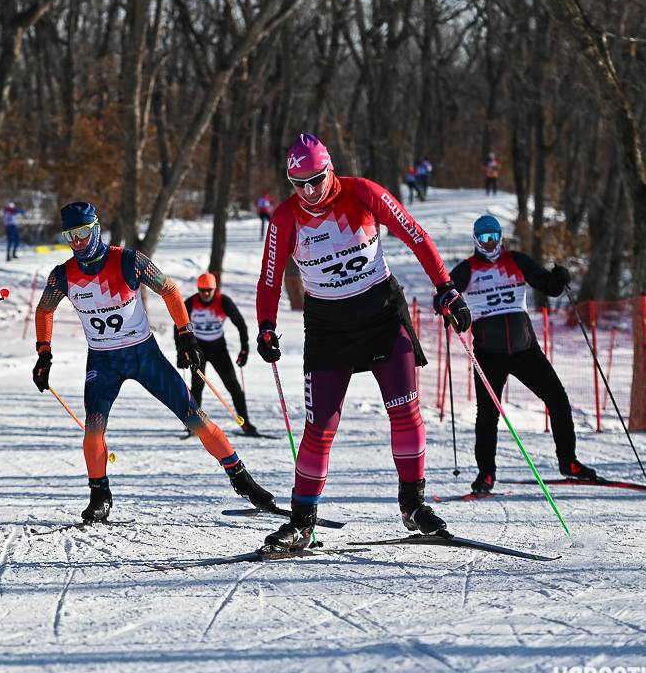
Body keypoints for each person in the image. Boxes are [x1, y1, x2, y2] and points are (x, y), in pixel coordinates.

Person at [256, 133, 471, 555]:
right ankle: (302, 523)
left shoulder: (363, 192)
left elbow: (417, 235)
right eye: (299, 183)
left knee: (405, 411)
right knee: (319, 430)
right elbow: (270, 278)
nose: (309, 191)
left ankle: (413, 505)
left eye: (316, 180)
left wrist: (446, 288)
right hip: (328, 326)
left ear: (330, 169)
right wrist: (266, 326)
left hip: (381, 315)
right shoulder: (285, 218)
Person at [31, 202, 276, 522]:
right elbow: (44, 310)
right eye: (70, 235)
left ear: (95, 228)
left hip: (143, 354)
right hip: (103, 361)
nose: (77, 241)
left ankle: (241, 479)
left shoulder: (128, 260)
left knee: (194, 416)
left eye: (82, 232)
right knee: (93, 430)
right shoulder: (63, 275)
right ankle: (99, 495)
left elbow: (170, 289)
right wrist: (44, 353)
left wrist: (186, 333)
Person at [449, 215, 597, 495]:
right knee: (488, 415)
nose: (490, 243)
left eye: (494, 237)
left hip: (524, 349)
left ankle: (569, 462)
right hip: (488, 354)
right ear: (476, 240)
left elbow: (548, 287)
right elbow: (445, 292)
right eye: (484, 238)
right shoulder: (467, 269)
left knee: (557, 398)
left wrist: (559, 279)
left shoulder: (517, 261)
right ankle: (486, 474)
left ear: (501, 236)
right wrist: (445, 305)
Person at [176, 273, 260, 437]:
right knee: (197, 386)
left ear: (215, 289)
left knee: (233, 385)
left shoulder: (223, 301)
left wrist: (244, 349)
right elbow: (178, 326)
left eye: (209, 290)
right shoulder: (191, 303)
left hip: (218, 347)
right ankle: (194, 425)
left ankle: (246, 424)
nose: (205, 293)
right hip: (197, 347)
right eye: (202, 290)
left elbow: (241, 325)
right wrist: (181, 351)